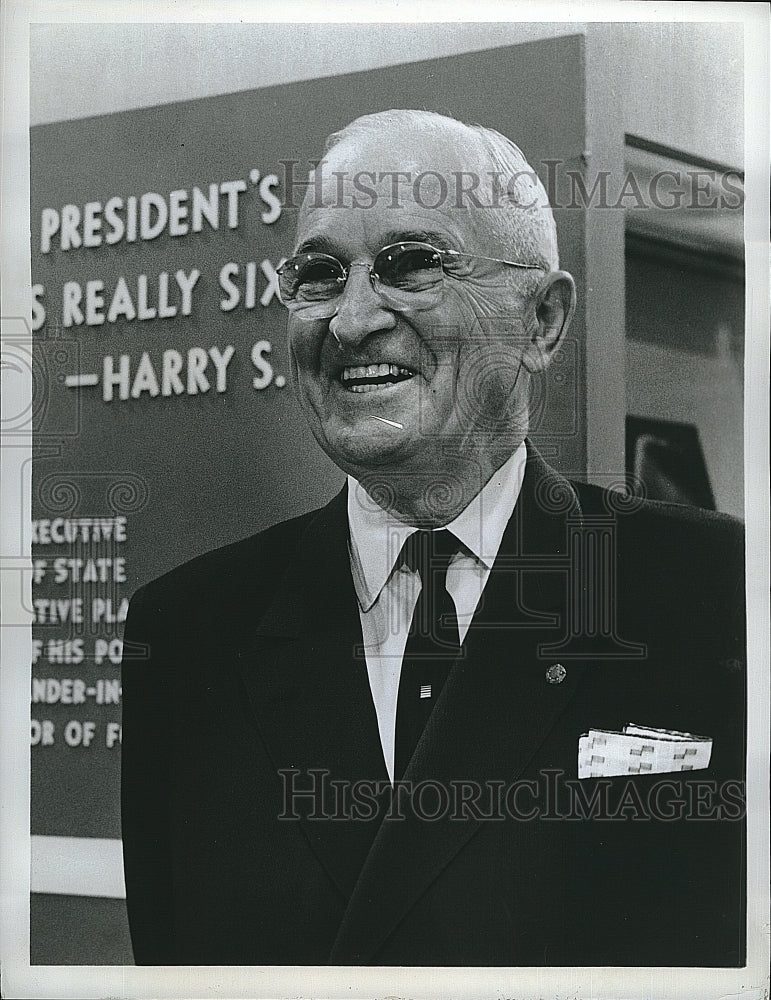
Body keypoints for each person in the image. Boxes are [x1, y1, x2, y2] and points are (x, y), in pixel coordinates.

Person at [121, 110, 746, 967]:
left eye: (411, 265)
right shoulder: (187, 630)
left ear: (541, 322)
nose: (350, 321)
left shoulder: (717, 594)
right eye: (319, 274)